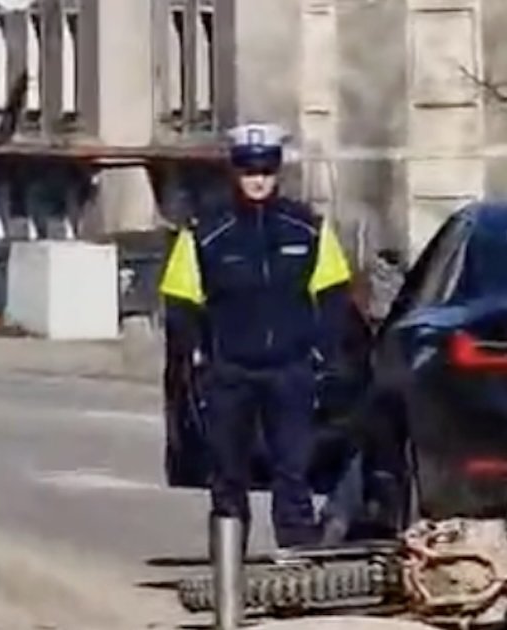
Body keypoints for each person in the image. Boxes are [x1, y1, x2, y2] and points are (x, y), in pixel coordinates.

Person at [159, 122, 354, 554]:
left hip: (290, 370)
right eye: (249, 171)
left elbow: (335, 295)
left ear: (277, 172)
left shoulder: (306, 229)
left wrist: (325, 354)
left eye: (265, 171)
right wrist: (190, 362)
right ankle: (228, 567)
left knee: (293, 472)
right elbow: (180, 302)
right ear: (235, 173)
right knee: (227, 475)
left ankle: (297, 558)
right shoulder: (206, 233)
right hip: (229, 371)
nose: (258, 180)